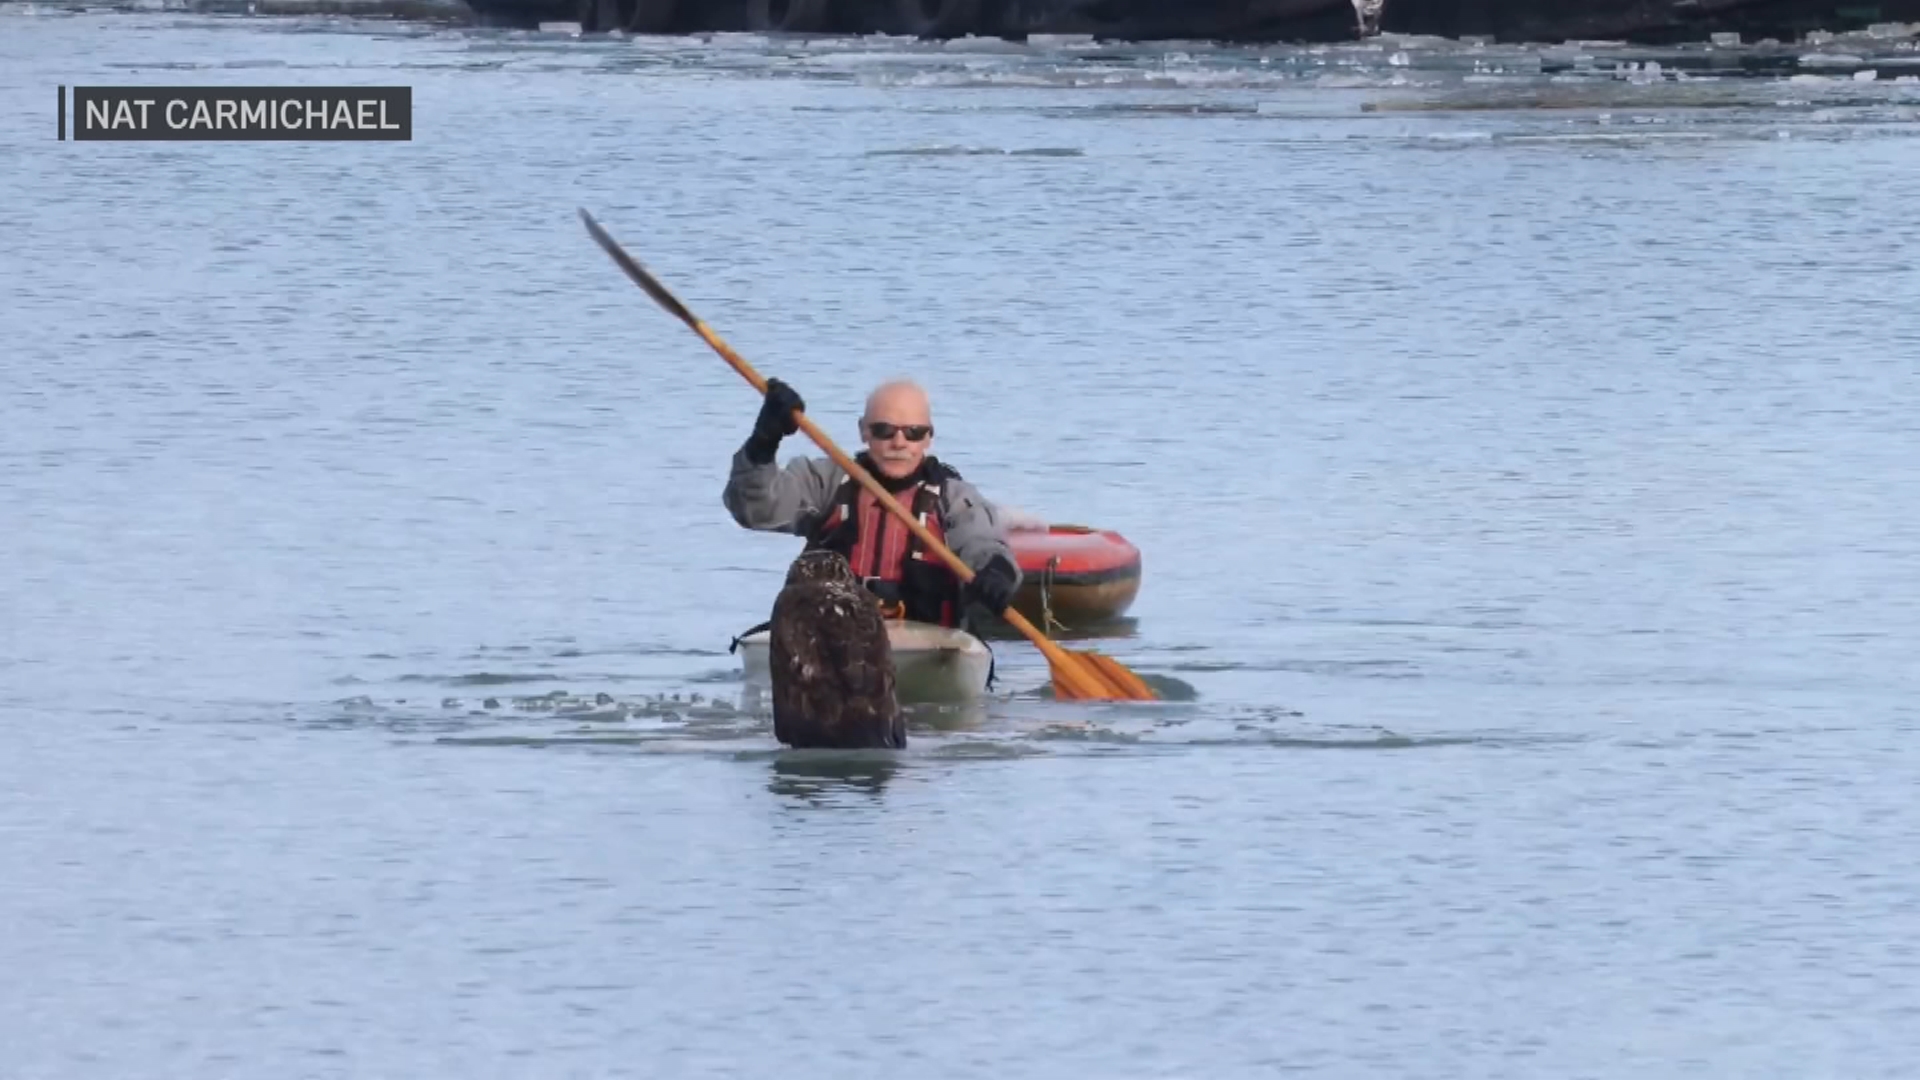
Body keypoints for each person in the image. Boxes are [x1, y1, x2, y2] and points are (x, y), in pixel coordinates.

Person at [722, 377, 1022, 630]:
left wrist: (996, 572)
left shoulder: (954, 498)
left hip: (923, 637)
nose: (899, 442)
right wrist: (763, 443)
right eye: (884, 430)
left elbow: (982, 542)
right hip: (828, 634)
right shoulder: (825, 483)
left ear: (928, 437)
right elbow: (755, 509)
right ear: (863, 431)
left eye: (913, 432)